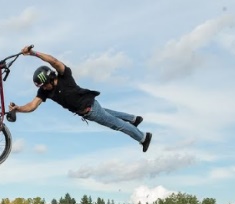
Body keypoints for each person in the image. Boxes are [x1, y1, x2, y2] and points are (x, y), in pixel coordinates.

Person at [9, 45, 152, 152]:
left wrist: (33, 53)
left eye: (44, 84)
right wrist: (18, 109)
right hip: (90, 107)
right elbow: (32, 105)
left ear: (51, 78)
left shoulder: (64, 75)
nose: (43, 88)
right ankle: (134, 119)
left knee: (117, 124)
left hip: (90, 109)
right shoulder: (44, 92)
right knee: (110, 113)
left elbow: (53, 61)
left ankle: (143, 137)